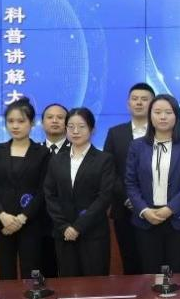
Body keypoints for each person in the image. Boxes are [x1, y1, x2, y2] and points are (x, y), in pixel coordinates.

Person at [125, 94, 180, 274]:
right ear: (150, 116)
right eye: (157, 112)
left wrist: (170, 208)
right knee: (151, 274)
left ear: (176, 116)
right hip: (146, 220)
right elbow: (130, 182)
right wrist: (144, 210)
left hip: (178, 219)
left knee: (177, 274)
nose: (163, 117)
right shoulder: (137, 146)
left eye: (168, 112)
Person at [0, 99, 51, 280]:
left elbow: (43, 190)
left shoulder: (42, 153)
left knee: (32, 275)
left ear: (32, 123)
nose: (15, 126)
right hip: (2, 224)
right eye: (10, 121)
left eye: (21, 121)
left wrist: (22, 218)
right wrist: (1, 215)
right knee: (6, 275)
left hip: (31, 224)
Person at [44, 108, 116, 277]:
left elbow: (104, 197)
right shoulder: (57, 160)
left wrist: (78, 227)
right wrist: (64, 226)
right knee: (68, 284)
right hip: (64, 234)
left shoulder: (104, 159)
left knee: (95, 284)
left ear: (92, 129)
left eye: (81, 126)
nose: (75, 131)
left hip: (93, 234)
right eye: (71, 126)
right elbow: (50, 194)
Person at [102, 82, 154, 275]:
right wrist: (128, 198)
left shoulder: (161, 131)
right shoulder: (115, 133)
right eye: (135, 99)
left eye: (144, 99)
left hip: (155, 208)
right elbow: (109, 170)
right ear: (128, 104)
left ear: (153, 104)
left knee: (154, 261)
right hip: (124, 208)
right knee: (130, 261)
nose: (139, 103)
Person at [37, 102, 69, 278]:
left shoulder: (77, 150)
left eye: (60, 117)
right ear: (42, 123)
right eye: (50, 117)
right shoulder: (34, 151)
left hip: (69, 223)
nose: (55, 121)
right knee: (45, 275)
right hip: (40, 225)